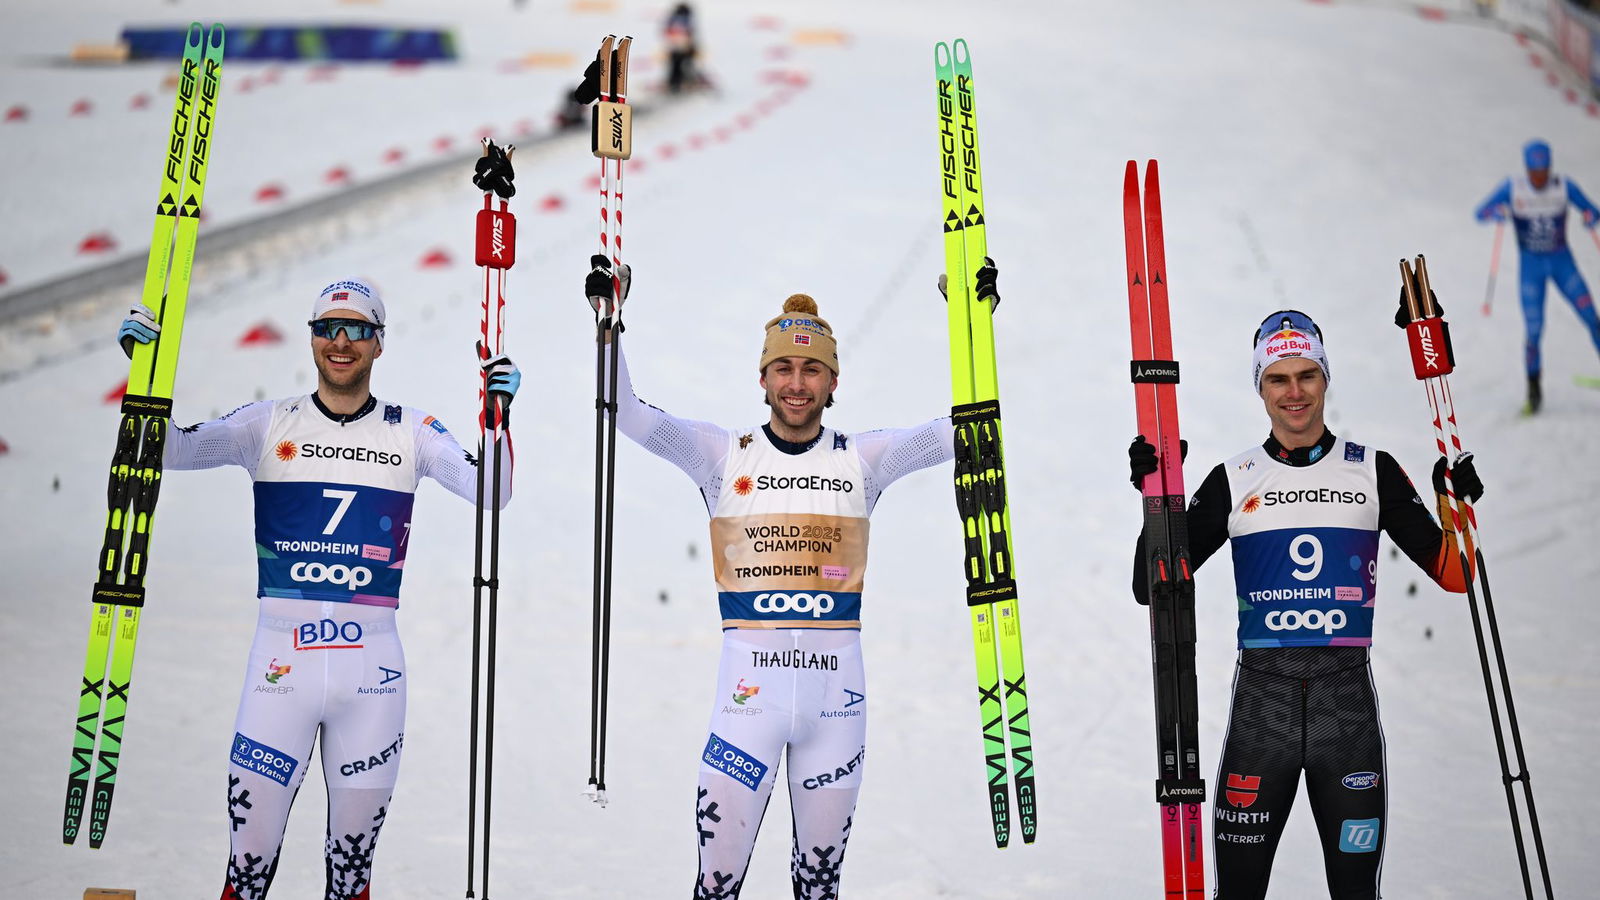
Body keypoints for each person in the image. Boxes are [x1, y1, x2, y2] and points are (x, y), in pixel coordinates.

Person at [585, 256, 973, 899]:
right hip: (746, 709)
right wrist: (609, 326)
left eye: (811, 369)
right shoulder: (722, 456)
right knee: (716, 887)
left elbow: (965, 433)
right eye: (784, 368)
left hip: (836, 710)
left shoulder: (862, 461)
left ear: (833, 381)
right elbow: (624, 413)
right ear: (762, 378)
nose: (797, 383)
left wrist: (971, 321)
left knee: (819, 890)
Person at [118, 278, 519, 900]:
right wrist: (145, 374)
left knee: (352, 878)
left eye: (357, 329)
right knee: (246, 872)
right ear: (311, 340)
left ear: (378, 344)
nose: (341, 341)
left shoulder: (411, 430)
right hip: (279, 674)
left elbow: (492, 491)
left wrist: (498, 416)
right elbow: (165, 451)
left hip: (372, 680)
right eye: (328, 328)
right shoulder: (267, 423)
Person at [1127, 310, 1483, 900]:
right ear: (1260, 387)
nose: (1294, 392)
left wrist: (1458, 506)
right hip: (1261, 712)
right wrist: (1157, 498)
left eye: (1307, 375)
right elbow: (1152, 587)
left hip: (1345, 713)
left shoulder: (1372, 470)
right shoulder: (1235, 478)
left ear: (1325, 378)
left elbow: (1456, 573)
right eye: (1278, 379)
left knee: (1356, 892)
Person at [1474, 138, 1600, 412]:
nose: (1539, 178)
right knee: (1533, 330)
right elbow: (1479, 213)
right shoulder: (1513, 187)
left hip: (1562, 263)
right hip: (1531, 269)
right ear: (1527, 169)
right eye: (1534, 172)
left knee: (1591, 316)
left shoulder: (1564, 186)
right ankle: (1534, 393)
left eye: (1543, 171)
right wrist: (1495, 212)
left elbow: (1593, 210)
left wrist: (1591, 216)